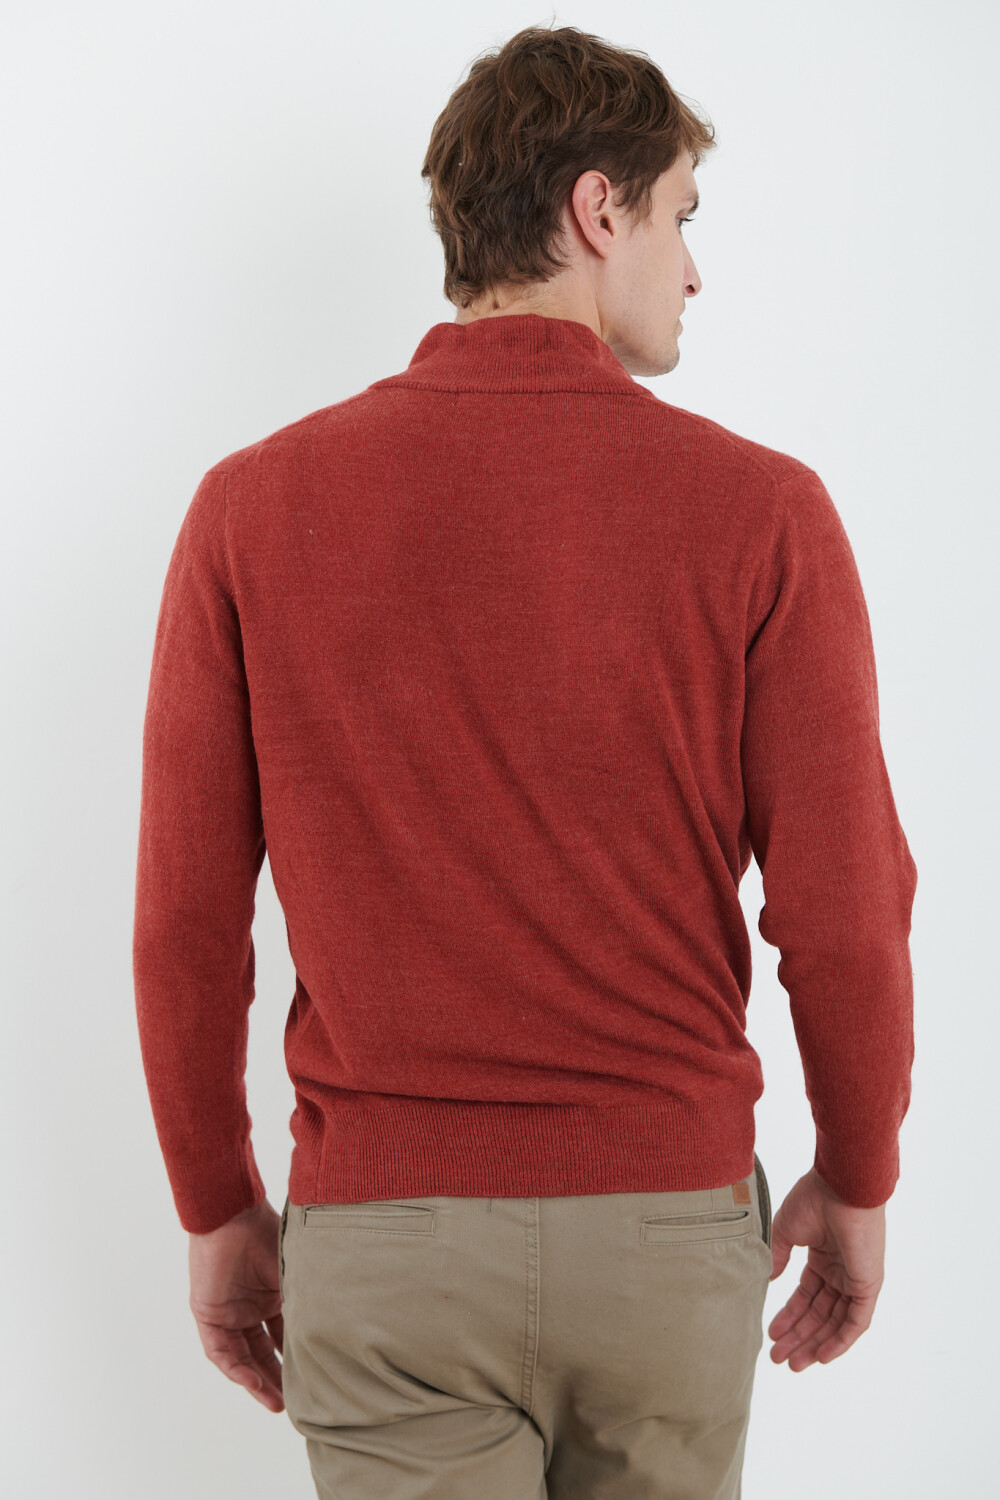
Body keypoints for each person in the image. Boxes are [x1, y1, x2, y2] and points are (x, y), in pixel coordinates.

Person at [133, 22, 917, 1499]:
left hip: (387, 1244)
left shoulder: (250, 510)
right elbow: (848, 908)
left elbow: (184, 920)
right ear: (596, 209)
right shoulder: (763, 514)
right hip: (666, 1235)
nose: (693, 270)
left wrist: (218, 1205)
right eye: (680, 216)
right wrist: (861, 1173)